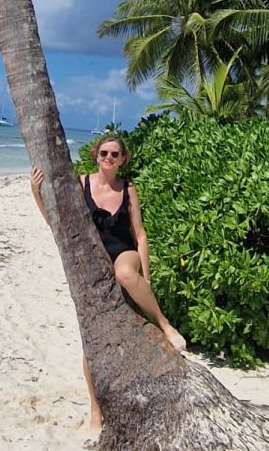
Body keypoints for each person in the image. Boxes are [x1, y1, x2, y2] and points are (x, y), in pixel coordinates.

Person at [30, 134, 186, 431]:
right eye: (104, 153)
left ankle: (164, 323)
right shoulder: (80, 183)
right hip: (95, 263)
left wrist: (147, 276)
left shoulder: (129, 188)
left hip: (125, 254)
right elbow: (56, 223)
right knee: (92, 341)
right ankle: (95, 409)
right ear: (96, 155)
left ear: (123, 158)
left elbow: (139, 234)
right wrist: (36, 193)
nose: (109, 158)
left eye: (115, 154)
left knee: (126, 275)